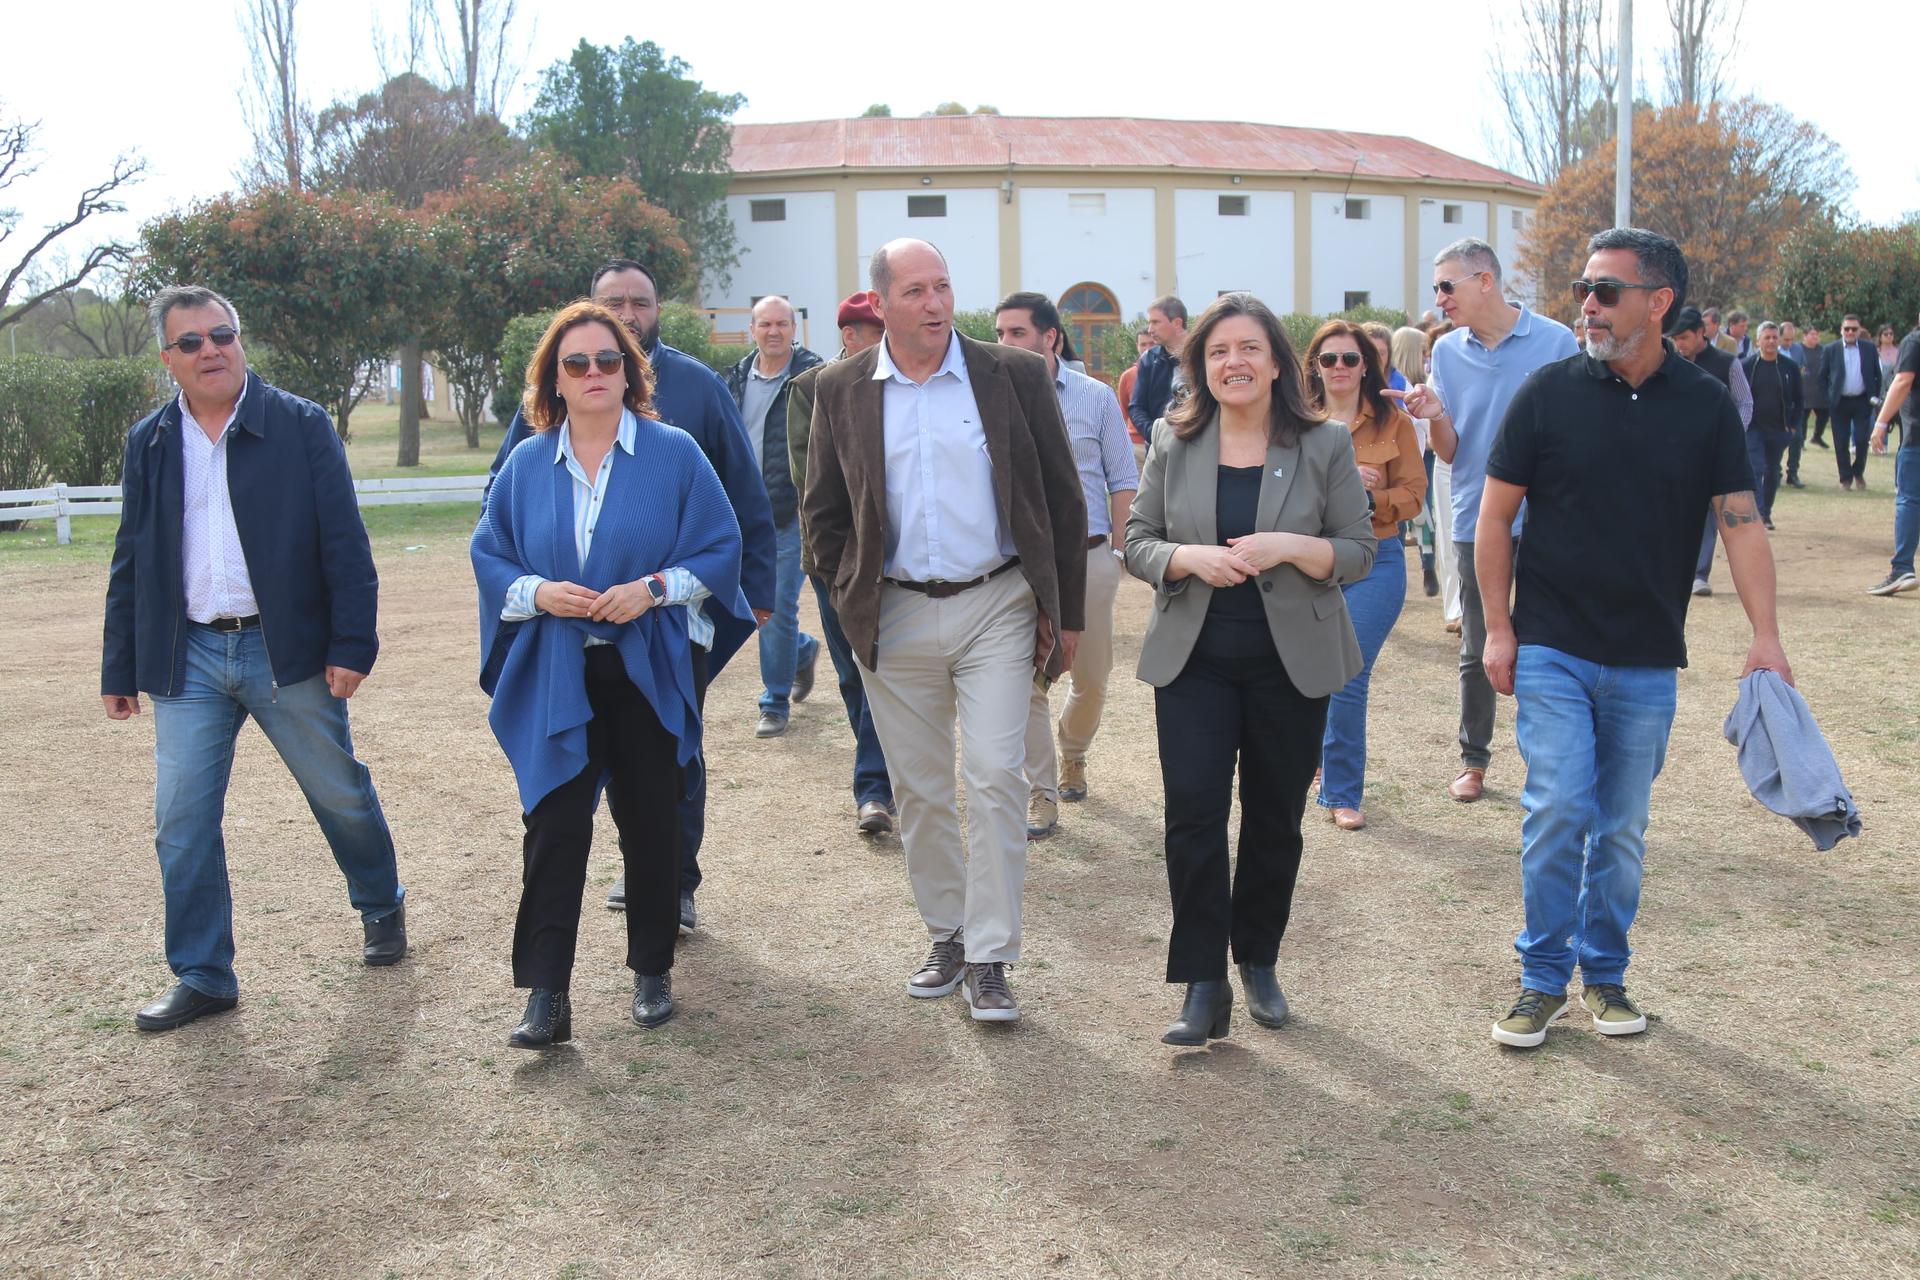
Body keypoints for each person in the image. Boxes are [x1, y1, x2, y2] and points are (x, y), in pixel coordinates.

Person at [1480, 227, 1791, 1048]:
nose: (1588, 303)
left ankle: (1605, 976)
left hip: (1648, 657)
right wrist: (1501, 629)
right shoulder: (1546, 393)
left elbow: (1742, 524)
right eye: (1585, 288)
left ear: (1659, 304)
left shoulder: (1704, 405)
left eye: (1607, 289)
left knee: (1619, 827)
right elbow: (1495, 517)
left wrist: (1767, 636)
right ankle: (1541, 980)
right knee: (1556, 808)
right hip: (1551, 645)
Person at [103, 285, 407, 1033]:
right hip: (191, 655)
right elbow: (131, 557)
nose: (211, 350)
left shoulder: (299, 425)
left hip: (288, 650)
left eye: (222, 334)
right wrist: (119, 666)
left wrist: (351, 643)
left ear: (239, 339)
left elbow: (345, 540)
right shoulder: (149, 442)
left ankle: (381, 905)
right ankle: (204, 974)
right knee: (181, 821)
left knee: (338, 791)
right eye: (191, 342)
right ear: (167, 358)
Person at [803, 239, 1087, 1024]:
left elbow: (1064, 500)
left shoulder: (1014, 375)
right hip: (891, 615)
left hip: (996, 602)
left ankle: (992, 958)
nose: (936, 304)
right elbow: (820, 512)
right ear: (882, 303)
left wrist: (1066, 617)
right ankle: (950, 935)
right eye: (918, 290)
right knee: (921, 791)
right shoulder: (838, 388)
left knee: (996, 775)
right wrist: (851, 591)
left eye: (944, 287)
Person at [472, 301, 754, 1045]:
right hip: (558, 671)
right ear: (553, 382)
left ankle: (652, 967)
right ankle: (545, 994)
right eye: (576, 363)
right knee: (554, 826)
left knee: (652, 820)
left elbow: (721, 549)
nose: (594, 373)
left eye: (608, 360)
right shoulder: (527, 463)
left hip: (649, 667)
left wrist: (652, 590)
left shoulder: (675, 453)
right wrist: (539, 592)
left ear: (630, 372)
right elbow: (490, 550)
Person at [1124, 292, 1375, 1046]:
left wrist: (1290, 547)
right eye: (1219, 351)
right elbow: (1137, 539)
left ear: (1276, 363)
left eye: (1249, 349)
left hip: (1289, 667)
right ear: (1201, 364)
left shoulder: (1324, 443)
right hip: (1194, 663)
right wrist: (1182, 558)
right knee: (1193, 817)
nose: (1234, 363)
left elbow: (1358, 551)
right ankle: (1204, 983)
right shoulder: (1174, 438)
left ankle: (1258, 958)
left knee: (1275, 820)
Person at [1391, 237, 1576, 804]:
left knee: (1549, 644)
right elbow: (1449, 451)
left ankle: (1550, 763)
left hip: (1549, 520)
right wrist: (1434, 415)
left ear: (1485, 281)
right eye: (1436, 289)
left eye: (1447, 286)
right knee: (1479, 644)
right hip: (1476, 517)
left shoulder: (1557, 341)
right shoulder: (1444, 352)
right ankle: (1474, 761)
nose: (1440, 299)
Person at [994, 291, 1139, 837]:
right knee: (1025, 681)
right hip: (1016, 564)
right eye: (1001, 333)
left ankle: (1074, 749)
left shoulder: (1095, 397)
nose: (1006, 343)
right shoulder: (992, 397)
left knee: (1091, 678)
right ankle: (1042, 792)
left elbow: (1123, 477)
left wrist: (1121, 553)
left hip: (1090, 558)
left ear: (1050, 337)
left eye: (1017, 333)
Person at [1303, 320, 1426, 832]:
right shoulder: (1294, 421)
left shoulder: (1392, 422)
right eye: (1328, 359)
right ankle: (1312, 763)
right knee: (1306, 673)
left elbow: (1414, 496)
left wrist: (1369, 495)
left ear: (1365, 367)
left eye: (1349, 359)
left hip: (1378, 559)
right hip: (1310, 559)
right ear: (1314, 366)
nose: (1338, 368)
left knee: (1347, 673)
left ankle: (1342, 791)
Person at [787, 291, 897, 833]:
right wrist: (843, 555)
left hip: (899, 561)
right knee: (854, 675)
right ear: (850, 336)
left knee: (882, 668)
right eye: (877, 332)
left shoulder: (902, 384)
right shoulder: (810, 390)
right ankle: (882, 775)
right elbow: (810, 480)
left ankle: (875, 788)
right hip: (835, 559)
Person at [727, 295, 823, 739]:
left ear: (794, 329)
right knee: (748, 604)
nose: (774, 332)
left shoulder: (814, 376)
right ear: (752, 330)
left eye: (782, 323)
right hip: (740, 513)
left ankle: (774, 700)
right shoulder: (732, 380)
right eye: (765, 324)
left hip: (788, 512)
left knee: (776, 607)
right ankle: (802, 652)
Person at [1670, 307, 1754, 596]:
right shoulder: (1668, 364)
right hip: (1676, 450)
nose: (1679, 344)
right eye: (1675, 338)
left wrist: (1732, 436)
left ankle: (1700, 573)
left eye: (1684, 337)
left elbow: (1745, 402)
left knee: (1709, 513)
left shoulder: (1727, 363)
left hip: (1713, 451)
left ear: (1700, 333)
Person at [1866, 310, 1920, 596]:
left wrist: (1881, 422)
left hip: (1917, 439)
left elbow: (1902, 382)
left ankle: (1902, 568)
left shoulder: (1914, 341)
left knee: (1910, 500)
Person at [1390, 325, 1441, 599]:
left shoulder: (1391, 381)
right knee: (1424, 510)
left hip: (1396, 458)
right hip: (1426, 454)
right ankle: (1428, 566)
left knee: (1400, 513)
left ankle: (1399, 570)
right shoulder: (1423, 381)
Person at [1742, 322, 1803, 529]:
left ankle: (1766, 512)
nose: (1771, 342)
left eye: (1774, 338)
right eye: (1766, 338)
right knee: (1756, 467)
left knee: (1772, 470)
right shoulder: (1746, 365)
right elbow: (1736, 397)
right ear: (1758, 340)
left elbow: (1799, 399)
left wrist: (1793, 426)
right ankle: (1757, 513)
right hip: (1753, 428)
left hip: (1779, 429)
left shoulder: (1789, 367)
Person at [1824, 314, 1883, 490]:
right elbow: (1822, 376)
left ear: (1859, 331)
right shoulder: (1831, 349)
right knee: (1841, 442)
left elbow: (1876, 375)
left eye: (1854, 329)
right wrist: (1828, 398)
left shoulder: (1869, 348)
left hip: (1862, 401)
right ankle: (1845, 478)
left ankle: (1858, 472)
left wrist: (1873, 397)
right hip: (1839, 403)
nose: (1850, 332)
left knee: (1862, 440)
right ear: (1841, 330)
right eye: (1847, 329)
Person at [1128, 295, 1190, 441]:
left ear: (1177, 323)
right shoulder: (1148, 359)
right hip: (1158, 451)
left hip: (1197, 449)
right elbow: (1136, 407)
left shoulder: (1204, 355)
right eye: (1149, 323)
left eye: (1155, 322)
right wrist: (1156, 435)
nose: (1150, 329)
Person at [1116, 327, 1155, 445]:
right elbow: (1124, 412)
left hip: (1164, 441)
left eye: (1151, 344)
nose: (1147, 348)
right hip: (1137, 444)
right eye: (1143, 344)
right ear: (1137, 346)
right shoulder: (1127, 376)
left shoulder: (1168, 372)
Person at [1799, 325, 1832, 450]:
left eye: (1816, 334)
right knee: (1803, 417)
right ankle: (1800, 441)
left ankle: (1817, 437)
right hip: (1803, 388)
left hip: (1819, 389)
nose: (1815, 337)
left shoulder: (1823, 350)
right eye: (1812, 334)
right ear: (1805, 336)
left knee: (1824, 413)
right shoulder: (1798, 349)